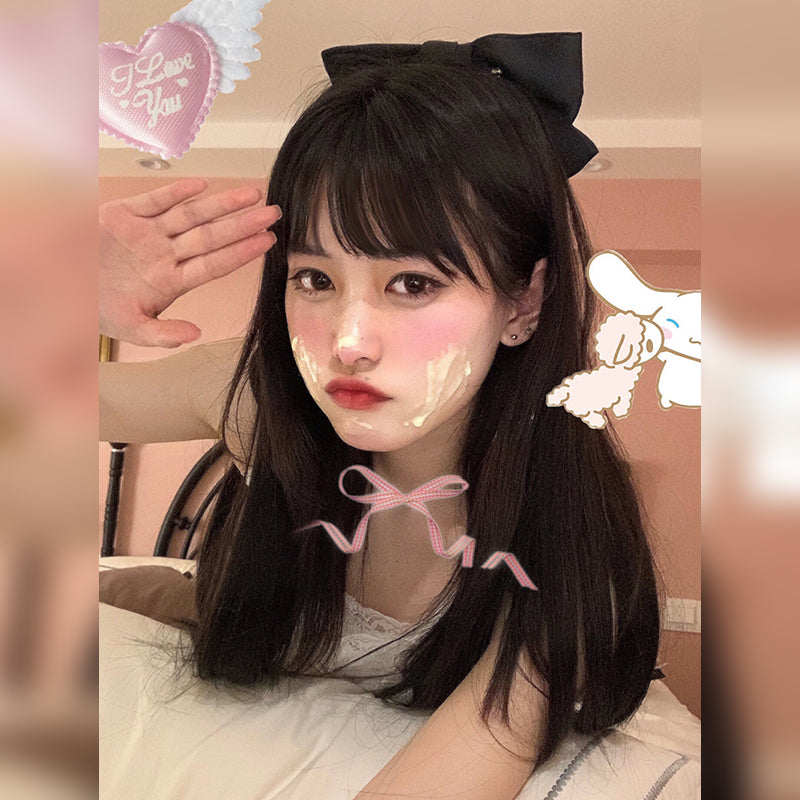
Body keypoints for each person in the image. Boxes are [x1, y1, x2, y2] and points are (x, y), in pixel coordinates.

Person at [100, 33, 660, 799]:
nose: (348, 342)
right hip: (206, 605)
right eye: (314, 278)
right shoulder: (256, 396)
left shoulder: (565, 540)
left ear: (523, 303)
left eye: (413, 284)